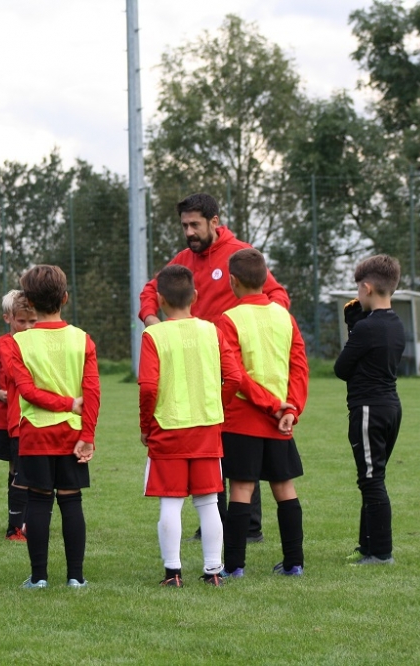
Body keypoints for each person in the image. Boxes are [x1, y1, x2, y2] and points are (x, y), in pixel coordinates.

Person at [139, 193, 289, 542]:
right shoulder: (183, 259)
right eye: (184, 226)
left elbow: (277, 295)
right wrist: (151, 320)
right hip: (200, 363)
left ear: (215, 221)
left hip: (233, 360)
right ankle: (216, 519)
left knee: (241, 443)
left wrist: (262, 325)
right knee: (210, 440)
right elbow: (151, 289)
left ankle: (248, 526)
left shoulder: (240, 254)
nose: (189, 232)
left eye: (195, 225)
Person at [139, 265, 242, 587]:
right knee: (208, 501)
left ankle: (173, 572)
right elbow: (235, 377)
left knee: (171, 501)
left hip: (168, 426)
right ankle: (213, 571)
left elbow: (148, 387)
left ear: (158, 300)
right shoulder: (212, 331)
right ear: (195, 296)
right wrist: (216, 404)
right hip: (206, 427)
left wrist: (146, 424)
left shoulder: (153, 334)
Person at [215, 248, 308, 577]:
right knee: (284, 487)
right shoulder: (286, 317)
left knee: (241, 488)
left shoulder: (229, 319)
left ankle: (235, 566)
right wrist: (290, 409)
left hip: (244, 418)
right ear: (266, 279)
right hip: (280, 420)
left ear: (232, 281)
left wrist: (274, 406)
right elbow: (299, 368)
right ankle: (294, 563)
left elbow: (236, 375)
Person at [8, 265, 100, 589]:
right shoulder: (82, 339)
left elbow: (28, 392)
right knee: (72, 501)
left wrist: (63, 405)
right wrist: (87, 435)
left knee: (38, 501)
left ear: (29, 303)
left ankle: (39, 578)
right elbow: (92, 392)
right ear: (65, 298)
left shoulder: (19, 343)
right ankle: (76, 577)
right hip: (72, 433)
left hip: (35, 431)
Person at [334, 255, 405, 566]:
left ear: (366, 287)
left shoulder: (366, 328)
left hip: (368, 410)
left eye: (357, 290)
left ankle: (381, 553)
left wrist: (353, 328)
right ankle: (367, 546)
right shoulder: (397, 324)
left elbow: (341, 368)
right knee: (373, 476)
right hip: (391, 408)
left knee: (371, 480)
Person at [0, 290, 37, 541]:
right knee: (14, 469)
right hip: (7, 419)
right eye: (22, 321)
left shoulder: (39, 343)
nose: (27, 327)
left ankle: (23, 522)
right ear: (9, 318)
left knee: (27, 470)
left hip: (32, 417)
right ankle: (15, 522)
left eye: (32, 321)